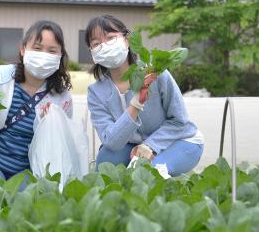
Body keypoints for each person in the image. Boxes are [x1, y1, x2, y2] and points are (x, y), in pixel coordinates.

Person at [0, 20, 73, 181]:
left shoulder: (62, 98)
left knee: (30, 201)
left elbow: (59, 148)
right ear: (23, 49)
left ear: (60, 56)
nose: (44, 55)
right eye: (37, 48)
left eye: (52, 51)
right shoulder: (0, 78)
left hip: (28, 170)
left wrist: (49, 125)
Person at [85, 14, 204, 176]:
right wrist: (135, 105)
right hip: (132, 145)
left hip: (179, 140)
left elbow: (179, 122)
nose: (104, 46)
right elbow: (111, 141)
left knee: (149, 173)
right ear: (92, 52)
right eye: (96, 44)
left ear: (127, 39)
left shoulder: (155, 73)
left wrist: (150, 145)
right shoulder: (96, 92)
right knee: (105, 163)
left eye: (111, 38)